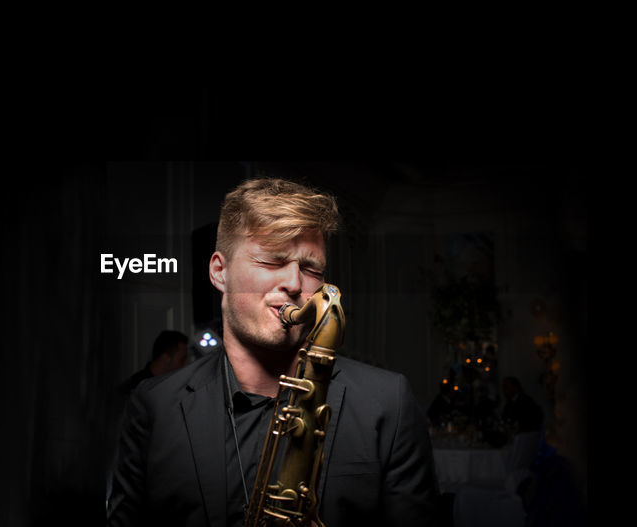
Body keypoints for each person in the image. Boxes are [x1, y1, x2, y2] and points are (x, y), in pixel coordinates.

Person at [108, 178, 440, 526]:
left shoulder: (389, 403)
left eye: (312, 269)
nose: (297, 285)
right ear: (219, 272)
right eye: (272, 261)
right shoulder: (153, 405)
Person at [117, 330, 190, 395]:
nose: (186, 364)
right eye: (182, 359)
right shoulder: (137, 389)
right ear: (166, 358)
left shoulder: (164, 385)